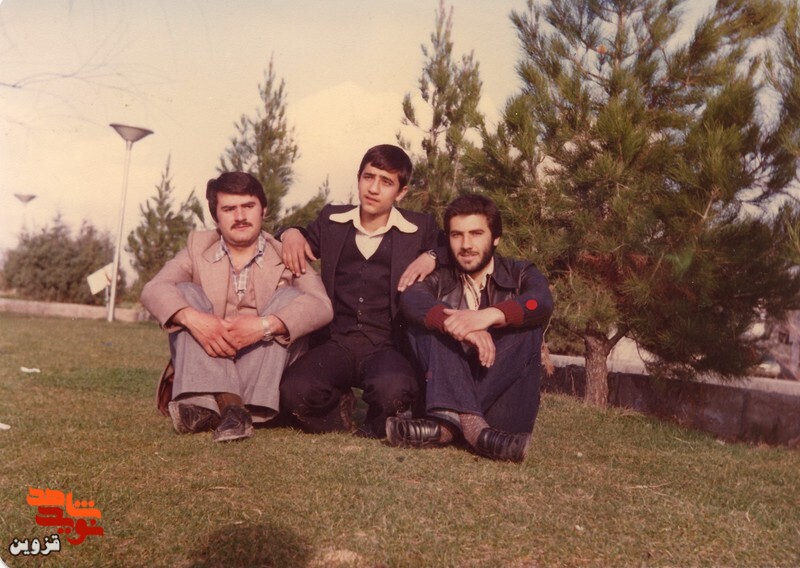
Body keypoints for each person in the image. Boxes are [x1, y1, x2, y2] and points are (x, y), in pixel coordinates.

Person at [141, 172, 333, 442]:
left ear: (263, 210)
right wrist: (195, 319)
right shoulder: (198, 247)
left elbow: (321, 305)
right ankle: (232, 409)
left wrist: (264, 326)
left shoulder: (284, 253)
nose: (240, 216)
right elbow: (153, 289)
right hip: (209, 353)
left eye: (248, 206)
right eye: (229, 209)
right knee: (184, 294)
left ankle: (208, 404)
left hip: (261, 366)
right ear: (216, 217)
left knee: (289, 298)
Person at [277, 144, 442, 438]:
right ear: (358, 178)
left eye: (386, 182)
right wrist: (290, 232)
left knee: (394, 390)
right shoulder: (332, 220)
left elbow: (453, 248)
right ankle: (339, 411)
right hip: (336, 341)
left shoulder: (420, 227)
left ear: (401, 192)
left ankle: (377, 423)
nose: (373, 188)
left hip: (386, 344)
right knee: (293, 391)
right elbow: (300, 238)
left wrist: (432, 256)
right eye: (369, 177)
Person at [387, 194, 553, 462]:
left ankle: (449, 425)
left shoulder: (520, 272)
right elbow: (411, 298)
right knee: (430, 320)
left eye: (476, 234)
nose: (466, 245)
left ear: (496, 238)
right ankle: (472, 427)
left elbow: (541, 301)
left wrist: (489, 316)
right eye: (457, 235)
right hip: (453, 400)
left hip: (499, 401)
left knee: (527, 326)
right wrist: (459, 326)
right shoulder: (439, 275)